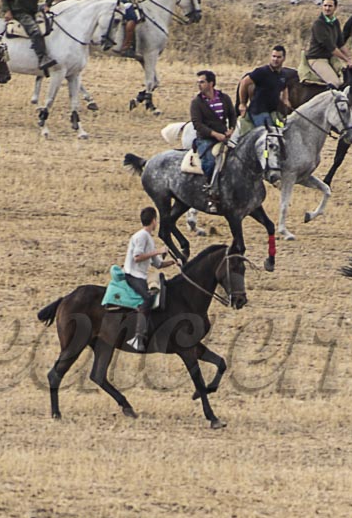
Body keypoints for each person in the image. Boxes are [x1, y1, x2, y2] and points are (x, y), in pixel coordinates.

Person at [124, 206, 179, 351]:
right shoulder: (142, 236)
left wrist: (173, 262)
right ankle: (138, 337)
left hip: (140, 276)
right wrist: (157, 251)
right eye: (156, 220)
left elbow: (158, 264)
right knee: (148, 298)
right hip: (132, 275)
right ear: (154, 221)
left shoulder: (149, 238)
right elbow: (137, 257)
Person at [190, 69, 236, 209]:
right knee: (209, 162)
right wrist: (215, 134)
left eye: (202, 82)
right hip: (206, 139)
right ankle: (211, 192)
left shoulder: (224, 98)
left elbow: (232, 115)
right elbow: (197, 124)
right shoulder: (196, 103)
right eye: (198, 82)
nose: (199, 85)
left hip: (223, 137)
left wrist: (231, 129)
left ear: (211, 83)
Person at [2, 0, 57, 70]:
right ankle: (42, 58)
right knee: (35, 31)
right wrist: (7, 11)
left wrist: (47, 4)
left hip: (34, 10)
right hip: (19, 12)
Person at [300, 0, 352, 87]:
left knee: (348, 78)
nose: (327, 8)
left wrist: (350, 58)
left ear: (335, 7)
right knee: (335, 83)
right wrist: (346, 60)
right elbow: (330, 47)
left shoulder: (335, 22)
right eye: (325, 5)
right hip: (317, 58)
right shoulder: (318, 24)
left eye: (330, 6)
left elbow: (340, 44)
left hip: (331, 58)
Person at [237, 44, 289, 131]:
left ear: (284, 58)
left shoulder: (283, 74)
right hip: (259, 112)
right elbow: (244, 82)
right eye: (273, 56)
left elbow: (284, 86)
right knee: (269, 133)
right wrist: (242, 103)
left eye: (278, 57)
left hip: (273, 113)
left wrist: (285, 99)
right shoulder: (261, 72)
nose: (275, 59)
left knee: (282, 127)